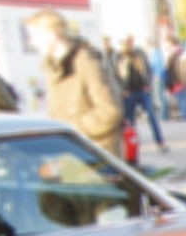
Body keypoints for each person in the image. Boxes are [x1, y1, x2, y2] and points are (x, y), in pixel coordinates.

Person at [23, 10, 123, 156]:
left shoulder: (85, 62)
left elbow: (110, 112)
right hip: (73, 153)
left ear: (51, 35)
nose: (31, 42)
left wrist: (67, 129)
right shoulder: (53, 66)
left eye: (34, 36)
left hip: (94, 155)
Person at [116, 34, 166, 153]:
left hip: (143, 90)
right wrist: (122, 89)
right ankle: (131, 148)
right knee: (130, 122)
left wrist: (148, 84)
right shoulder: (120, 56)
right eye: (127, 41)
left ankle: (160, 142)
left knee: (151, 116)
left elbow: (148, 69)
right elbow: (116, 74)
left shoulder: (139, 53)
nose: (130, 43)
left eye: (131, 41)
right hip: (129, 92)